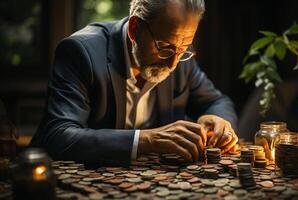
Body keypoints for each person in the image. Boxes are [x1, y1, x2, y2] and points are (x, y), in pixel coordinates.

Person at [30, 0, 238, 166]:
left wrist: (217, 120)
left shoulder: (179, 56)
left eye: (184, 47)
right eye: (164, 47)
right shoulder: (81, 52)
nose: (173, 62)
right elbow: (58, 136)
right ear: (134, 29)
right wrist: (146, 140)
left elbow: (218, 101)